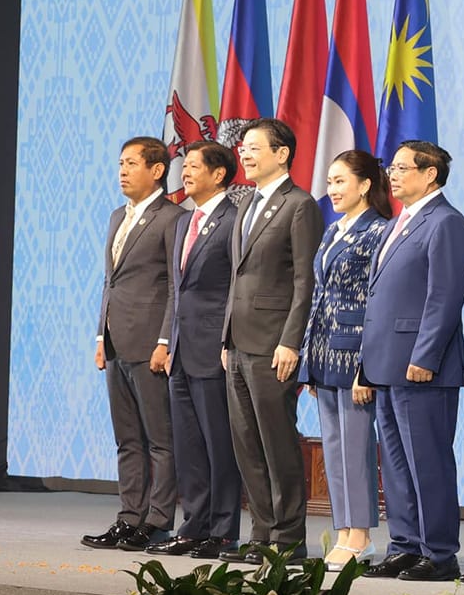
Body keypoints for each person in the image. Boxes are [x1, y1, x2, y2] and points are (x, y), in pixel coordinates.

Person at [359, 141, 464, 582]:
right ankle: (405, 545)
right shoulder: (398, 222)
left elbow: (444, 297)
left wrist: (425, 354)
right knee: (397, 463)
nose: (393, 174)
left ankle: (440, 552)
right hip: (386, 363)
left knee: (427, 461)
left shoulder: (445, 222)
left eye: (403, 167)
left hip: (421, 366)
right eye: (392, 167)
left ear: (431, 174)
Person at [219, 118, 324, 564]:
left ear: (282, 153)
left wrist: (291, 341)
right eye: (243, 148)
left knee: (277, 441)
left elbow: (306, 281)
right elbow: (236, 277)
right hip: (238, 343)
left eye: (254, 147)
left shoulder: (299, 205)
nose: (244, 154)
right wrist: (225, 338)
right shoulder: (246, 204)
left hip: (273, 343)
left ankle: (288, 538)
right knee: (247, 443)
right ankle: (261, 533)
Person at [82, 137, 180, 552]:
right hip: (118, 341)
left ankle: (157, 521)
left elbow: (177, 286)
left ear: (157, 170)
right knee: (127, 438)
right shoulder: (116, 216)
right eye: (120, 163)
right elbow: (111, 282)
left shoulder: (173, 217)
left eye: (132, 163)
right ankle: (129, 517)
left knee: (160, 438)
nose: (122, 171)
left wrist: (164, 340)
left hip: (149, 342)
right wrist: (101, 335)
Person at [147, 141, 244, 559]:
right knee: (188, 443)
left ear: (219, 173)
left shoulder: (234, 219)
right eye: (182, 166)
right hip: (182, 349)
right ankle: (194, 525)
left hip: (214, 347)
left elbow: (237, 287)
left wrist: (227, 339)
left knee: (218, 441)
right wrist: (167, 339)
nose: (183, 173)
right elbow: (177, 288)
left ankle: (223, 530)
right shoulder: (184, 222)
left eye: (192, 166)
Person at [298, 150, 391, 571]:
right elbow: (318, 297)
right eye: (330, 182)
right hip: (323, 352)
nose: (332, 190)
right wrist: (308, 358)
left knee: (356, 449)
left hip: (354, 353)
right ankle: (342, 531)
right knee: (333, 450)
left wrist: (366, 364)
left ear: (366, 184)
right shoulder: (333, 229)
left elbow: (377, 303)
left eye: (340, 181)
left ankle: (362, 536)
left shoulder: (379, 231)